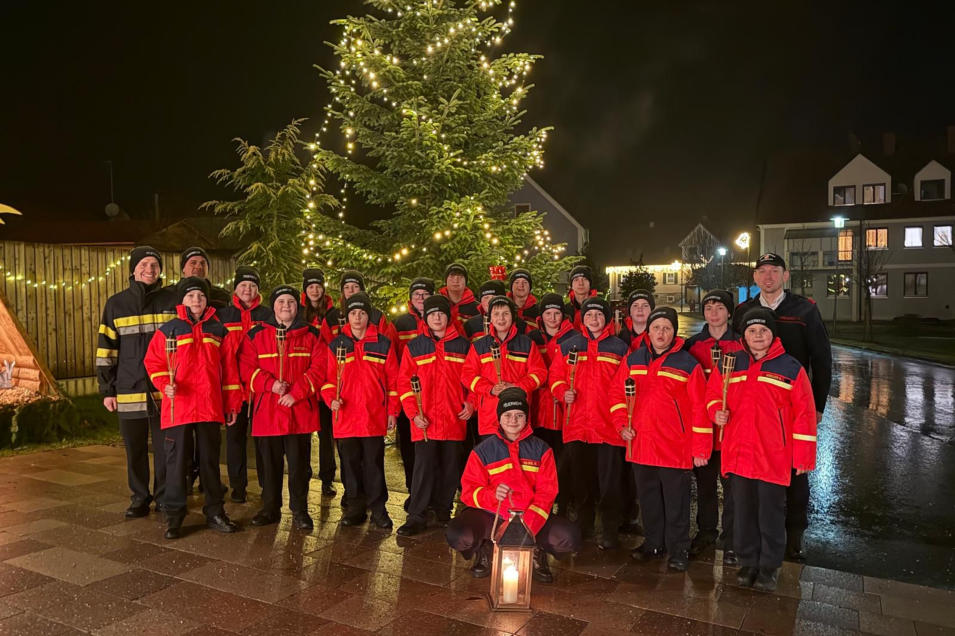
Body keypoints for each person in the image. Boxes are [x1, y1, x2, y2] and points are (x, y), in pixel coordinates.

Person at [708, 308, 817, 591]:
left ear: (773, 334)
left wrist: (803, 457)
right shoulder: (730, 363)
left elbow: (804, 414)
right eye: (752, 331)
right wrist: (715, 411)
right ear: (743, 335)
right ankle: (748, 562)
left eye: (764, 330)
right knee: (743, 512)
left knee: (770, 514)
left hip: (773, 456)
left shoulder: (790, 367)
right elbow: (713, 395)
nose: (758, 336)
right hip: (739, 453)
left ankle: (769, 567)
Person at [732, 252, 831, 562]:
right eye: (762, 271)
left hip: (793, 404)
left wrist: (817, 406)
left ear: (785, 276)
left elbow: (822, 359)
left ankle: (793, 537)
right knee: (756, 476)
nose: (768, 276)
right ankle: (754, 538)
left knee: (795, 475)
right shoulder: (744, 311)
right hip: (757, 406)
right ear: (755, 277)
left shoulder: (805, 309)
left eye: (774, 271)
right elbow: (738, 356)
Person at [447, 387, 581, 583]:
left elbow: (547, 493)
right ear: (499, 418)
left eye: (519, 415)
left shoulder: (542, 450)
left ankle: (535, 549)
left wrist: (526, 528)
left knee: (569, 537)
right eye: (507, 415)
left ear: (527, 418)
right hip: (492, 515)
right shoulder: (482, 451)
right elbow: (469, 492)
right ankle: (485, 547)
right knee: (458, 534)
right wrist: (492, 494)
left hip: (529, 515)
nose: (513, 420)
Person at [612, 307, 710, 572]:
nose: (661, 333)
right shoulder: (633, 359)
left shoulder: (688, 364)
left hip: (674, 446)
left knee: (677, 503)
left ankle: (678, 549)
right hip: (641, 443)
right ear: (649, 331)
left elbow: (700, 408)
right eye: (656, 327)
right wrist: (621, 425)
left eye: (667, 328)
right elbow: (616, 395)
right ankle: (653, 544)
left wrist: (701, 448)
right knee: (649, 500)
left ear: (674, 332)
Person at [144, 277, 241, 539]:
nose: (196, 300)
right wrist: (164, 384)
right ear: (182, 300)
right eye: (190, 296)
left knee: (210, 463)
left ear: (207, 300)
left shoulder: (219, 331)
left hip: (209, 406)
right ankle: (174, 516)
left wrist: (232, 404)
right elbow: (153, 362)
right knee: (176, 463)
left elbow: (230, 371)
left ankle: (215, 512)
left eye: (201, 296)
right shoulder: (168, 331)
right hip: (179, 408)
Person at [96, 245, 176, 518]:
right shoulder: (116, 304)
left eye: (154, 265)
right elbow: (106, 349)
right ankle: (139, 498)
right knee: (135, 449)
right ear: (133, 269)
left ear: (160, 270)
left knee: (166, 449)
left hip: (165, 391)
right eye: (144, 265)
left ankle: (164, 498)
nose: (149, 269)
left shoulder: (173, 301)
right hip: (129, 389)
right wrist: (107, 390)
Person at [239, 285, 325, 531]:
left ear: (297, 306)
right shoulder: (256, 334)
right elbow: (245, 367)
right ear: (273, 306)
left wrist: (297, 393)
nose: (286, 306)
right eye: (281, 302)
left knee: (299, 466)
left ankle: (300, 510)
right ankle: (270, 508)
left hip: (299, 411)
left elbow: (320, 368)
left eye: (291, 302)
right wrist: (271, 385)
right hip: (268, 410)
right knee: (269, 465)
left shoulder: (311, 334)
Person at [548, 297, 628, 550]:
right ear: (582, 318)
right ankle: (584, 525)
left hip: (608, 427)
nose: (594, 319)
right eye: (589, 315)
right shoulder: (569, 346)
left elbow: (625, 384)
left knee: (610, 484)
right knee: (581, 482)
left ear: (607, 319)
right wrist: (562, 392)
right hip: (578, 426)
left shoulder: (619, 348)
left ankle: (609, 530)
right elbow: (555, 377)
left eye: (599, 315)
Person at [396, 295, 473, 535]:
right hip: (424, 421)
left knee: (450, 469)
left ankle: (442, 512)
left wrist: (471, 403)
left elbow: (474, 378)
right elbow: (404, 384)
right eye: (432, 314)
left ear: (448, 317)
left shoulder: (463, 346)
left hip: (453, 418)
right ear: (426, 318)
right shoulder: (414, 346)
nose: (437, 318)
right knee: (423, 469)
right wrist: (412, 414)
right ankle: (416, 516)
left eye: (441, 314)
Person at [322, 292, 400, 530]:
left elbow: (394, 382)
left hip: (372, 417)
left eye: (362, 313)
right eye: (353, 313)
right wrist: (330, 399)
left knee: (374, 465)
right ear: (347, 317)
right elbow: (328, 381)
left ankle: (378, 509)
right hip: (345, 418)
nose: (357, 318)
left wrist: (392, 412)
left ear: (369, 316)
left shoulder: (383, 344)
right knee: (350, 466)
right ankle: (355, 508)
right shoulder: (336, 345)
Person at [684, 290, 743, 564]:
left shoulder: (742, 344)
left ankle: (732, 539)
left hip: (731, 429)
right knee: (705, 485)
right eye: (709, 308)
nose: (714, 313)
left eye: (720, 308)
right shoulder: (693, 345)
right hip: (704, 431)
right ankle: (706, 531)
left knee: (733, 488)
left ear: (729, 312)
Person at [215, 266, 273, 502]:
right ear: (235, 289)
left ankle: (267, 485)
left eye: (252, 285)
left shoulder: (268, 315)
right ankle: (238, 487)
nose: (247, 289)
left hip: (261, 388)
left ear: (258, 289)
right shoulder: (223, 316)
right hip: (235, 388)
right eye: (243, 285)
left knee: (263, 441)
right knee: (235, 439)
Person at [462, 296, 546, 440]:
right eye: (496, 314)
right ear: (490, 318)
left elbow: (540, 374)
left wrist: (517, 387)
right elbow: (467, 375)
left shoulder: (527, 344)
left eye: (505, 313)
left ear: (513, 316)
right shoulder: (479, 346)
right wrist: (490, 389)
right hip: (489, 417)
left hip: (518, 416)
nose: (501, 318)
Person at [526, 293, 575, 491]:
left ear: (563, 315)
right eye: (548, 313)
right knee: (539, 456)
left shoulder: (573, 338)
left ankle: (564, 497)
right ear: (541, 316)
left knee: (564, 457)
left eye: (557, 313)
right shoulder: (533, 338)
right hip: (538, 406)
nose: (553, 318)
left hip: (563, 405)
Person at [391, 277, 435, 493]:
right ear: (411, 298)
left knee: (430, 447)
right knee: (408, 445)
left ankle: (432, 491)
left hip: (432, 393)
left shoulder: (439, 318)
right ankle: (413, 489)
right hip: (407, 392)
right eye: (417, 294)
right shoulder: (400, 323)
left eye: (425, 294)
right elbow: (392, 357)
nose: (421, 298)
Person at [301, 268, 338, 497]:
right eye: (311, 287)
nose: (315, 290)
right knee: (304, 433)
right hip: (306, 379)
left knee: (326, 434)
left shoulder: (333, 314)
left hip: (326, 379)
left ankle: (327, 478)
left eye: (318, 286)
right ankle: (303, 476)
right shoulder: (298, 313)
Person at [320, 270, 398, 346]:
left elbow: (386, 345)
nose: (351, 290)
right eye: (346, 287)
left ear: (362, 290)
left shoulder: (377, 317)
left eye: (355, 286)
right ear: (342, 291)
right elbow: (325, 348)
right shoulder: (331, 319)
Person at [438, 262, 479, 336]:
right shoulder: (437, 304)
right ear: (446, 280)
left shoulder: (477, 308)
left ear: (466, 281)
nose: (456, 280)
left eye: (460, 276)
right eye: (452, 276)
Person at [564, 265, 599, 330]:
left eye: (584, 279)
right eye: (576, 280)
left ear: (590, 284)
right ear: (571, 285)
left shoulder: (601, 308)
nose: (581, 283)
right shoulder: (565, 310)